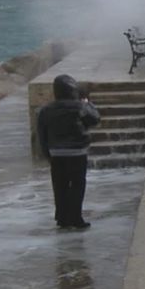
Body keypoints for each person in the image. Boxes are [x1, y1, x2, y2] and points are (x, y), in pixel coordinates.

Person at [37, 74, 100, 229]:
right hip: (77, 152)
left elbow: (41, 133)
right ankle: (76, 217)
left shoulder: (46, 110)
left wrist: (47, 153)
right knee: (77, 185)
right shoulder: (79, 107)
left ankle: (62, 218)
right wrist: (88, 104)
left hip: (56, 154)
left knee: (60, 186)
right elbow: (95, 119)